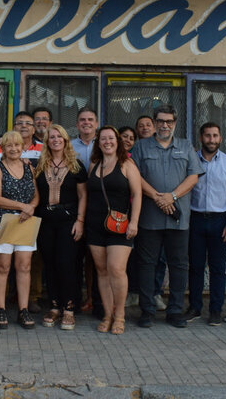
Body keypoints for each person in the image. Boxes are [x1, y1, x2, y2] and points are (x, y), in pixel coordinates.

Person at [131, 106, 203, 329]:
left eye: (169, 121)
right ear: (154, 123)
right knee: (147, 264)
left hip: (178, 219)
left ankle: (174, 311)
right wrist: (157, 197)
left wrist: (171, 196)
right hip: (149, 217)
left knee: (179, 265)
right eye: (161, 121)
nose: (165, 125)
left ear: (175, 122)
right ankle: (148, 311)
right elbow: (134, 176)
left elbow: (193, 176)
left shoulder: (185, 146)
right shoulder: (141, 147)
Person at [85, 126, 142, 335]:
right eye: (103, 139)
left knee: (116, 269)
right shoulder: (94, 164)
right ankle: (108, 314)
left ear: (117, 142)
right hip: (95, 225)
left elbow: (137, 194)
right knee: (102, 271)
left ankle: (120, 316)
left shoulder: (127, 164)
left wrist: (134, 222)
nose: (107, 142)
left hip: (119, 225)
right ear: (98, 142)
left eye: (111, 138)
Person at [188, 122, 226, 326]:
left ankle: (216, 310)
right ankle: (194, 307)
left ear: (221, 138)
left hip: (220, 220)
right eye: (208, 136)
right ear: (201, 138)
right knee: (195, 267)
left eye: (215, 136)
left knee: (218, 268)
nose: (211, 140)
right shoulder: (192, 160)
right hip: (196, 219)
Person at [34, 124, 88, 330]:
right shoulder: (40, 165)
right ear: (47, 141)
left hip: (69, 219)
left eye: (60, 136)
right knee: (50, 264)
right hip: (45, 220)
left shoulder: (76, 166)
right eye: (52, 137)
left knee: (67, 264)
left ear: (66, 140)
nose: (56, 139)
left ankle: (69, 308)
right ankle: (54, 306)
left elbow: (83, 196)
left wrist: (80, 221)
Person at [0, 130, 40, 329]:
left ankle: (23, 309)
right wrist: (22, 206)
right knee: (3, 267)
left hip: (26, 223)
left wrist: (32, 207)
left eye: (17, 145)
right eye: (9, 145)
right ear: (3, 148)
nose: (13, 149)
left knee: (25, 267)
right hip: (4, 222)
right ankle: (0, 308)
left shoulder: (29, 168)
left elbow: (36, 195)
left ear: (22, 147)